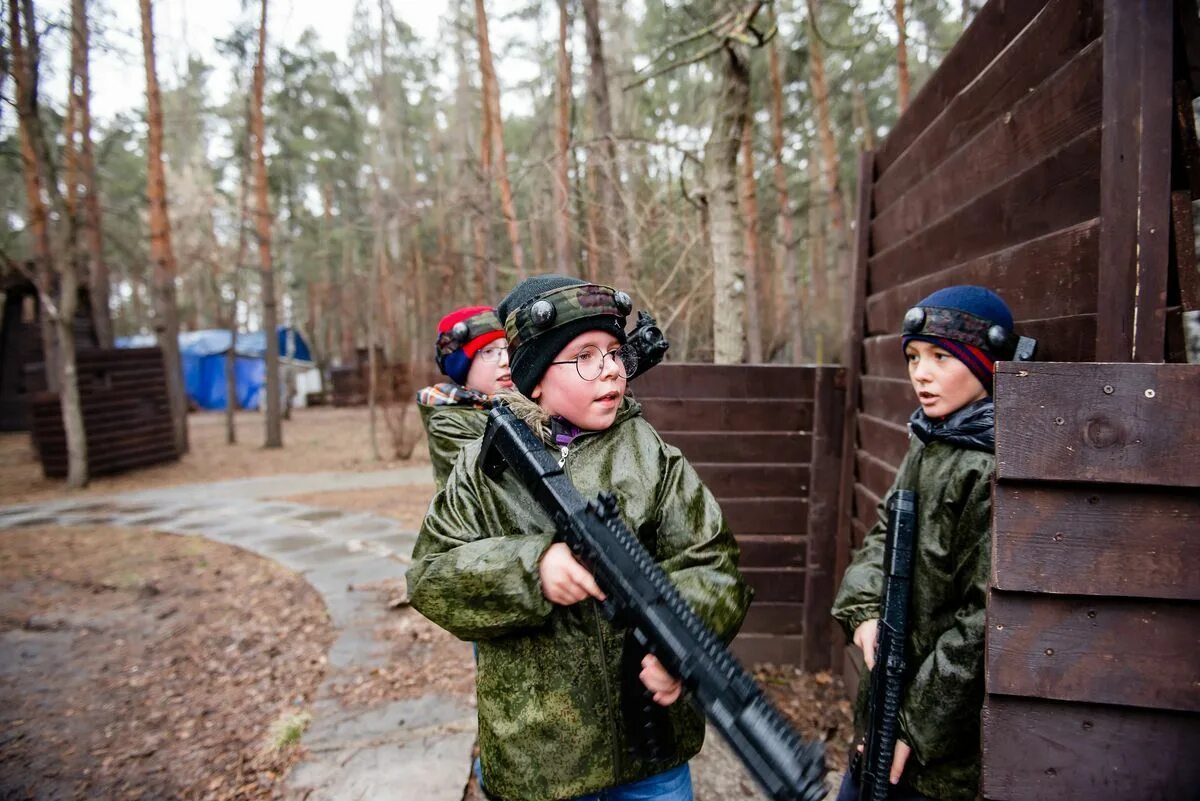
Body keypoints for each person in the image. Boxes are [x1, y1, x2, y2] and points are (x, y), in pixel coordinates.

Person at [407, 275, 751, 801]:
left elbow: (713, 562)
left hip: (652, 755)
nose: (610, 368)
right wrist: (531, 569)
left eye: (614, 352)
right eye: (585, 356)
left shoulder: (650, 456)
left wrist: (681, 646)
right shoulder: (483, 468)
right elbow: (431, 576)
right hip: (539, 760)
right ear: (536, 378)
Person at [832, 286, 1024, 801]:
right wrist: (865, 610)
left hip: (938, 752)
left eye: (942, 357)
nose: (921, 372)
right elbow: (882, 534)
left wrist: (914, 727)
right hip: (883, 713)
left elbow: (982, 619)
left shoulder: (990, 466)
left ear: (986, 365)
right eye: (914, 357)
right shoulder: (929, 440)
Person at [417, 306, 512, 489]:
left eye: (508, 348)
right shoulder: (447, 421)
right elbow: (495, 482)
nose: (505, 361)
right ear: (462, 367)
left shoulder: (521, 404)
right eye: (489, 352)